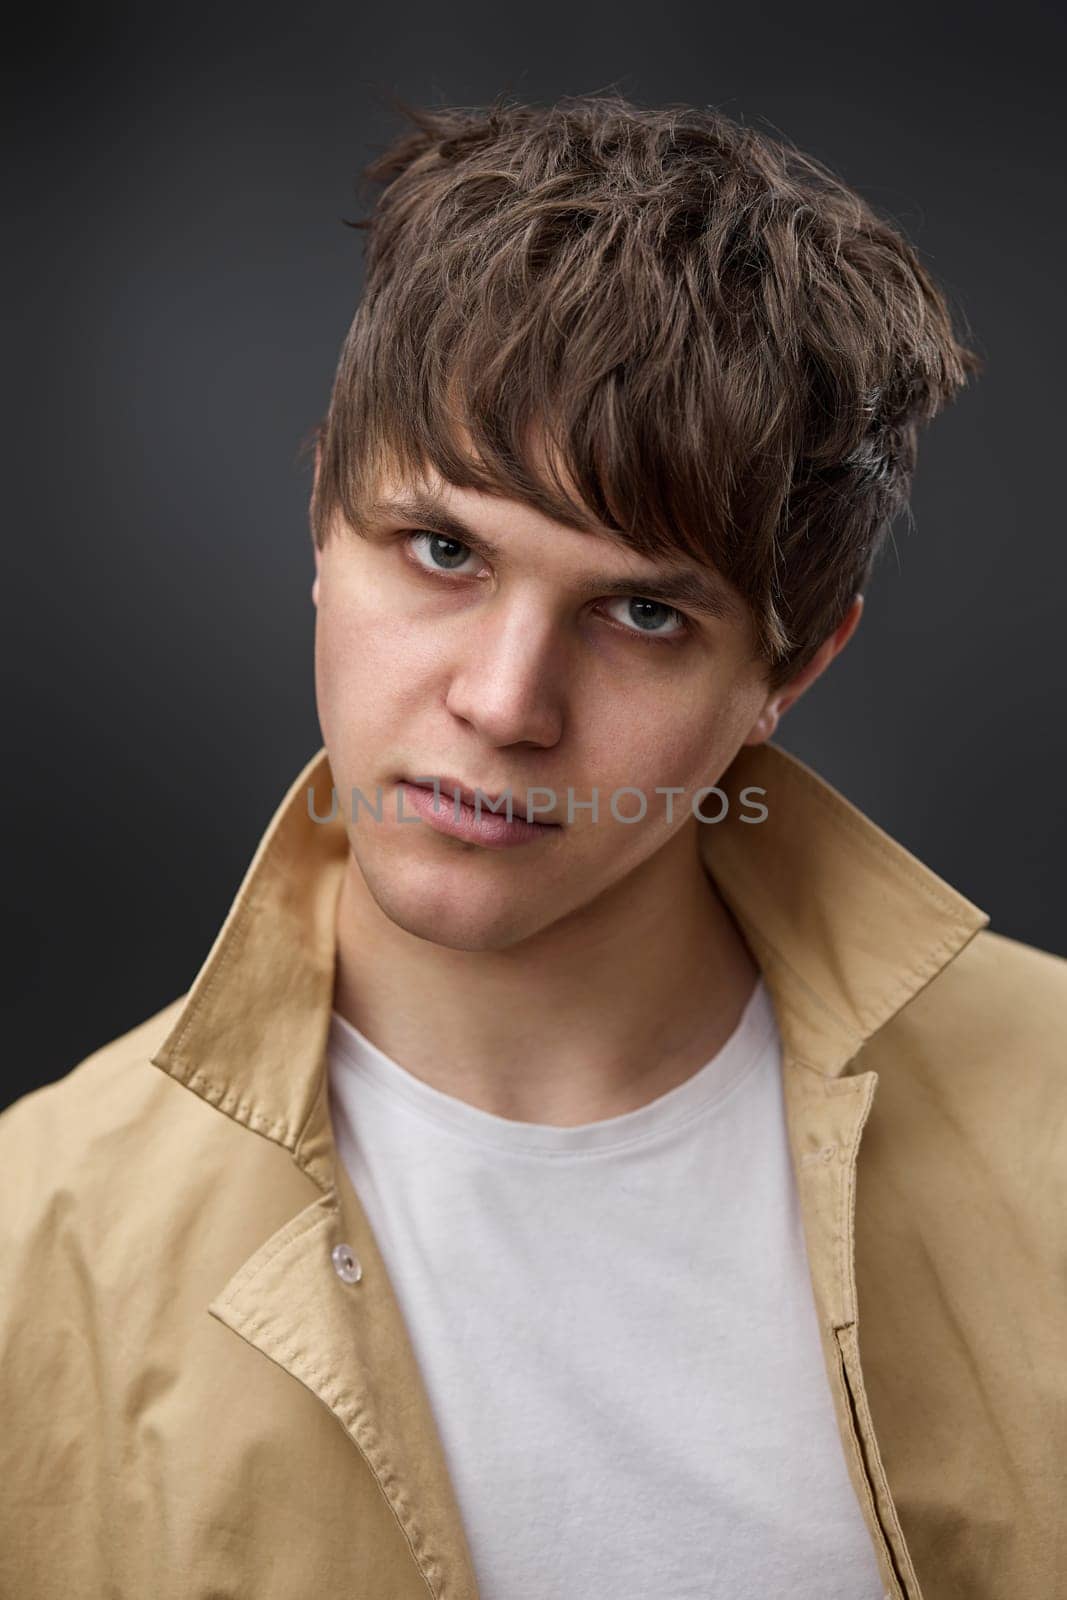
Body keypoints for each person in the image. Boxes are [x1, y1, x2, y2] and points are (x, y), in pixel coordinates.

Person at [1, 92, 1063, 1600]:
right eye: (444, 551)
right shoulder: (36, 1245)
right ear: (321, 521)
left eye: (644, 613)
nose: (503, 704)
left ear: (792, 671)